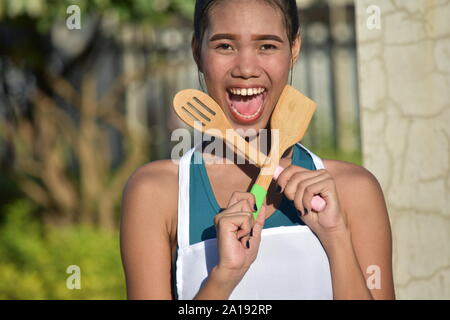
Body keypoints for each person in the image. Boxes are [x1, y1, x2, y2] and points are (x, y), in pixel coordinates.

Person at [120, 0, 395, 300]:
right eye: (225, 45)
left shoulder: (354, 190)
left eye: (267, 46)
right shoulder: (156, 192)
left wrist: (336, 237)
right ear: (197, 51)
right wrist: (224, 278)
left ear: (294, 49)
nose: (246, 69)